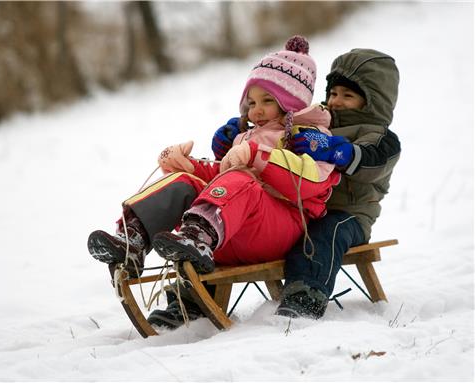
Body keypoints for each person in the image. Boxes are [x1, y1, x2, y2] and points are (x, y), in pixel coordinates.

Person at [87, 36, 341, 327]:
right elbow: (225, 173)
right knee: (185, 181)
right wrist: (188, 165)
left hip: (281, 229)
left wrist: (257, 155)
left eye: (267, 101)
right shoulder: (246, 135)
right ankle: (133, 239)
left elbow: (312, 181)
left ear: (290, 102)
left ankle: (199, 235)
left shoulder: (311, 136)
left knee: (243, 181)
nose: (255, 110)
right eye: (252, 102)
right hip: (232, 231)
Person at [212, 48, 401, 319]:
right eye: (333, 93)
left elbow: (370, 162)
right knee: (233, 221)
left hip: (349, 215)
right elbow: (271, 140)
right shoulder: (314, 122)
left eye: (348, 96)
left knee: (325, 234)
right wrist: (238, 134)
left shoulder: (381, 137)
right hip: (301, 208)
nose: (336, 101)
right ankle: (194, 298)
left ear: (374, 101)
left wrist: (336, 151)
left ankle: (306, 296)